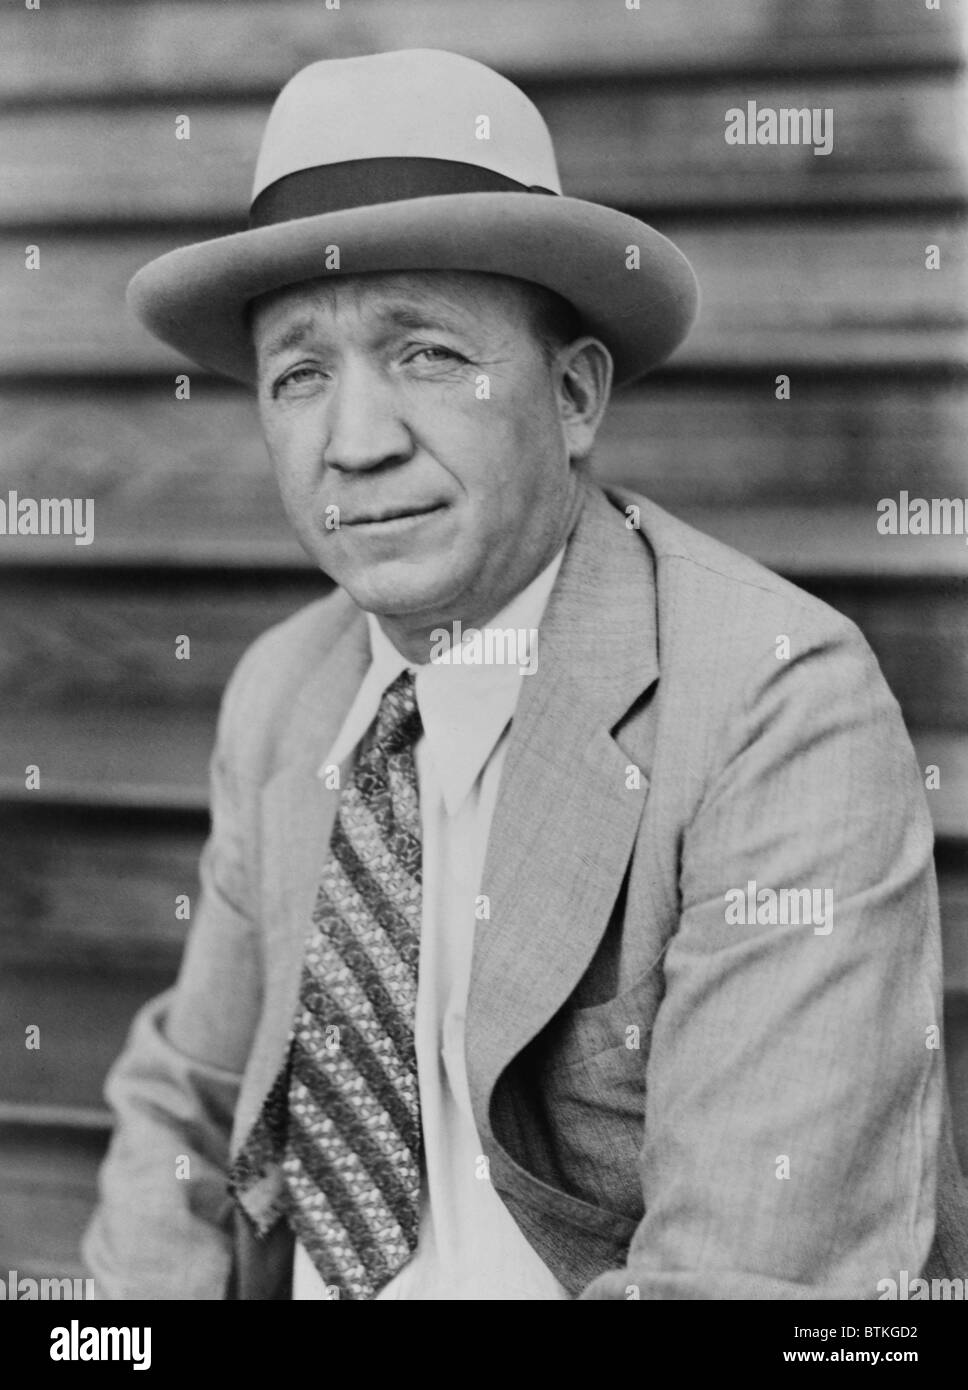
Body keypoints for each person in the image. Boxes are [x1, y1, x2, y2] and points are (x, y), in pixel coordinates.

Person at [83, 47, 968, 1300]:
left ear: (568, 394)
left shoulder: (776, 704)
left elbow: (747, 1281)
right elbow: (188, 1096)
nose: (357, 442)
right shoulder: (288, 688)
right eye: (299, 374)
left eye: (428, 354)